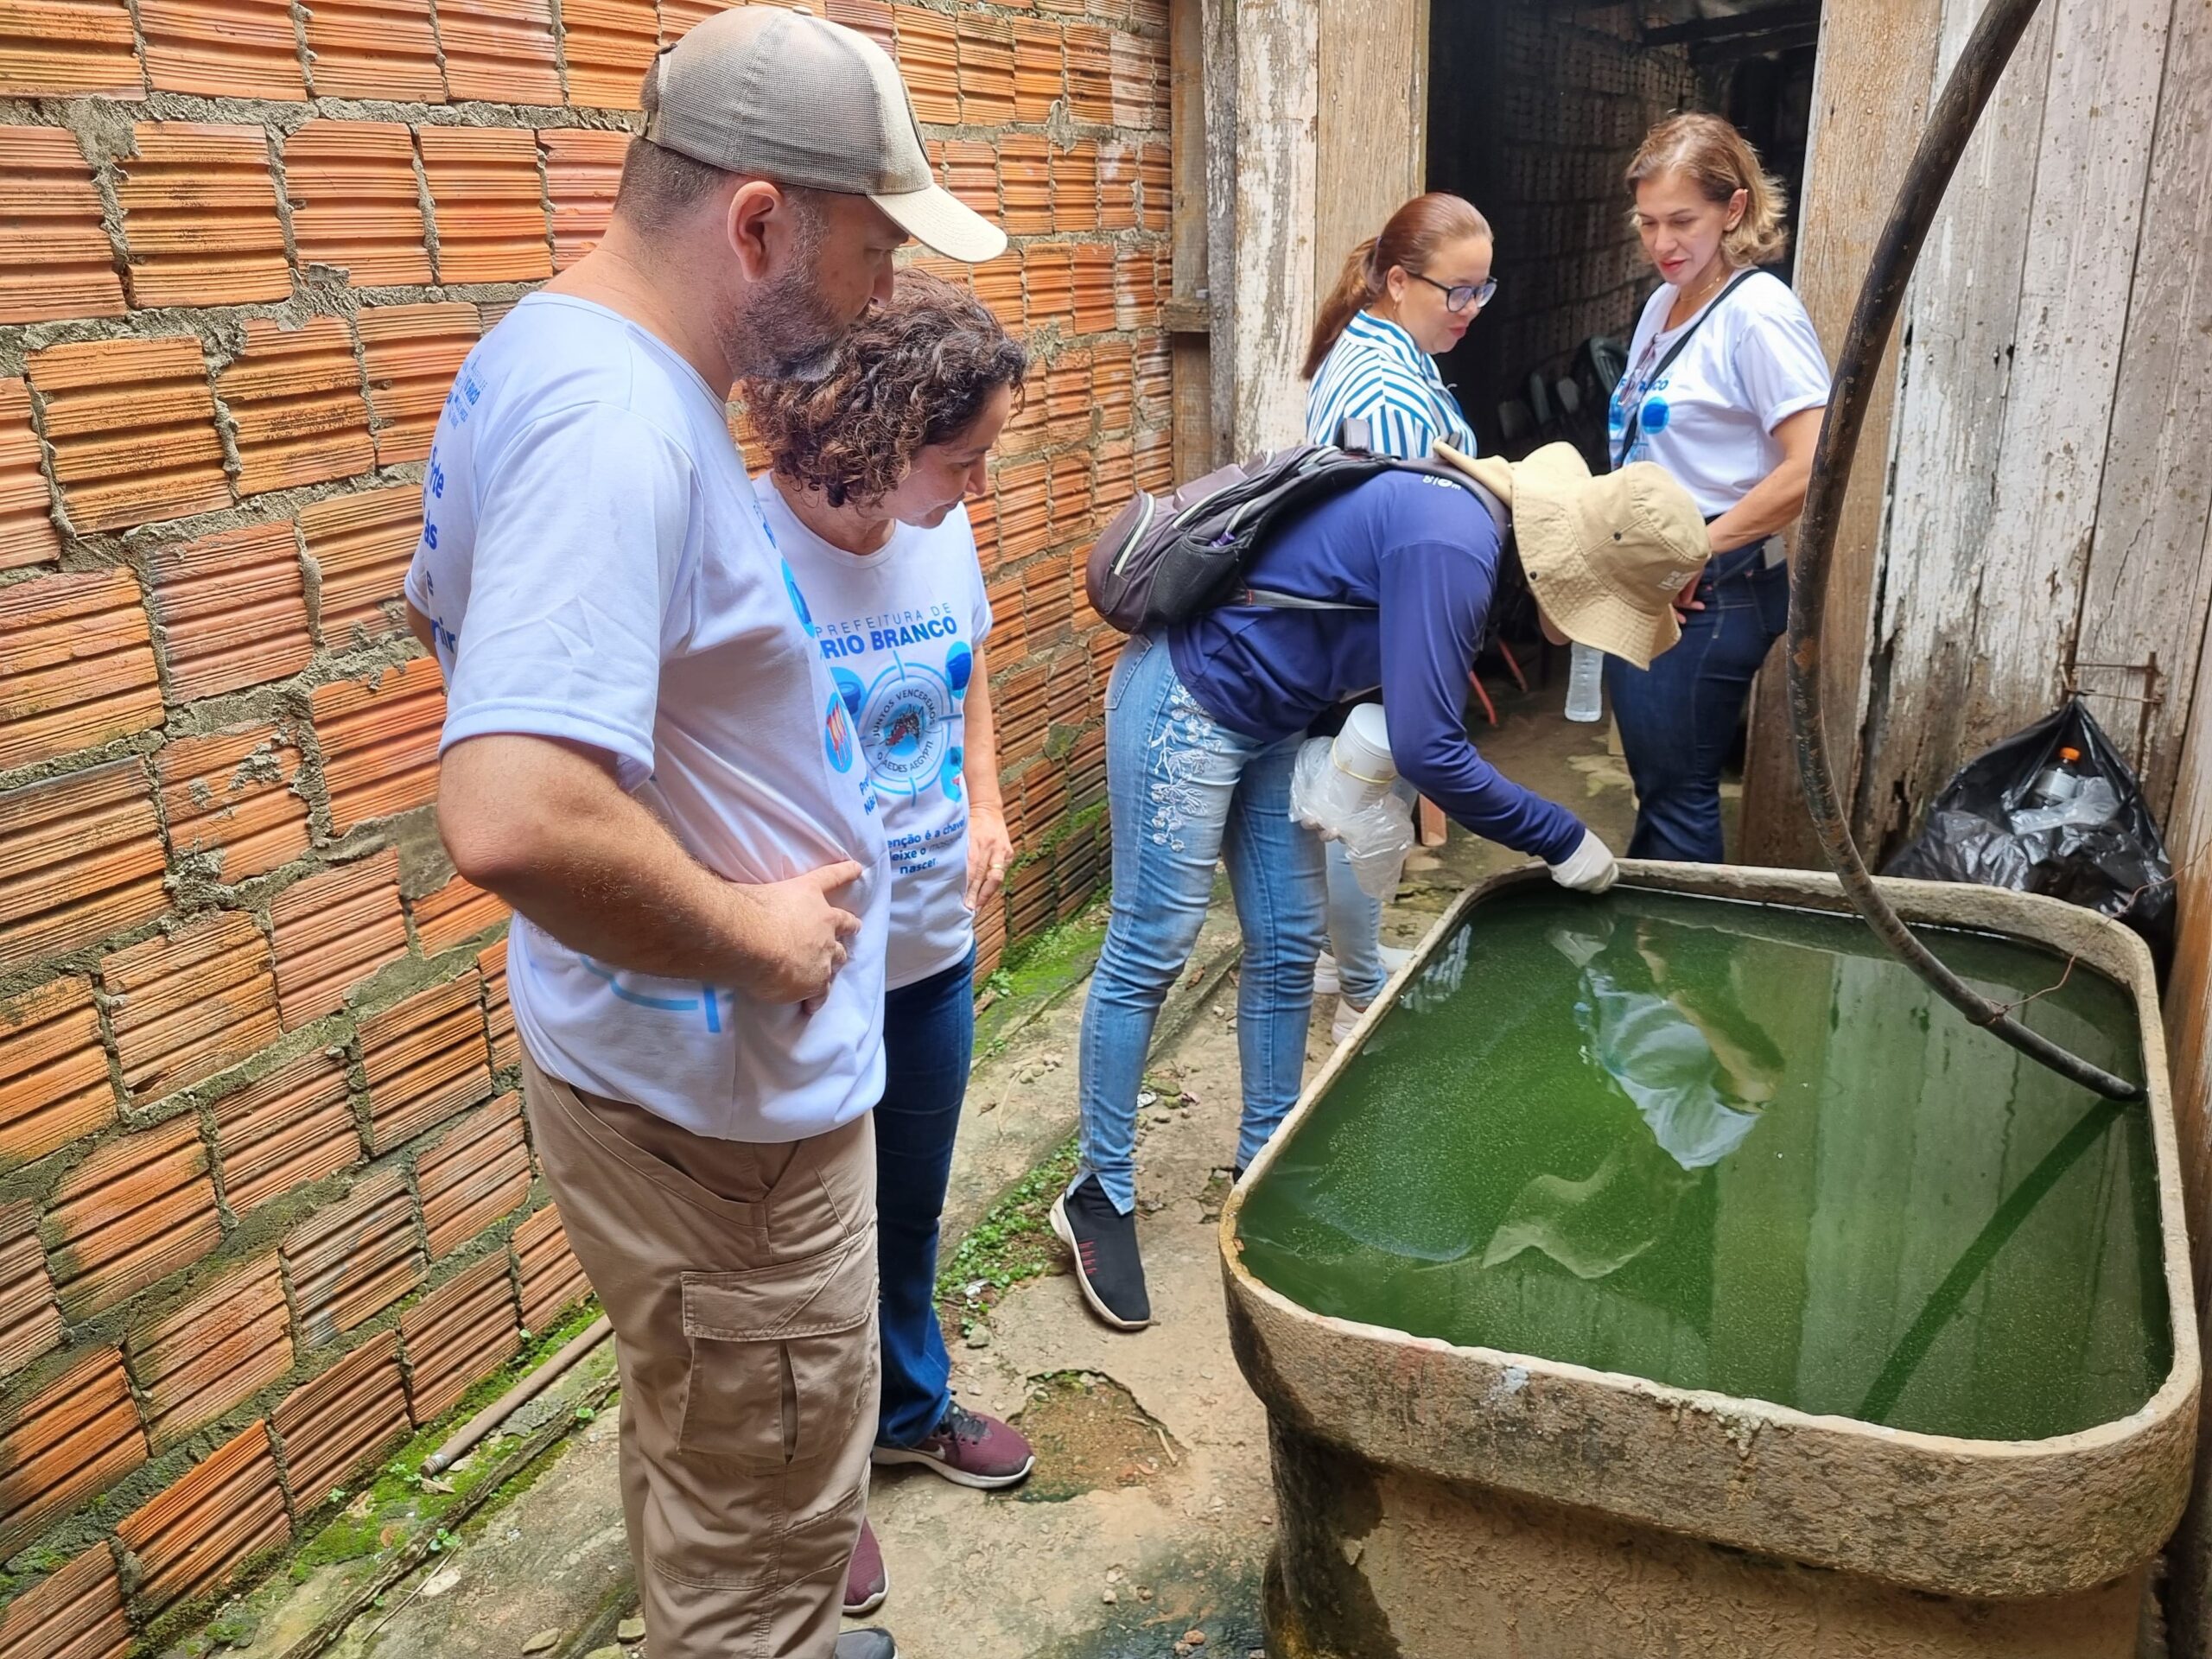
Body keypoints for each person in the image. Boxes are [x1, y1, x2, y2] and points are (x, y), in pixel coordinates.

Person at [404, 13, 1004, 1659]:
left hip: (657, 1079)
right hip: (722, 1113)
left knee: (716, 1441)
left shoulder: (542, 360)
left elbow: (475, 640)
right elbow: (511, 808)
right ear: (758, 224)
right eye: (872, 247)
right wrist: (759, 935)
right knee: (764, 1491)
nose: (884, 295)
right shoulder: (618, 425)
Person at [1053, 440, 1712, 1331]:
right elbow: (1427, 745)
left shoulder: (1467, 532)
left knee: (1288, 943)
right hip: (1189, 700)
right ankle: (1100, 1192)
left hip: (1273, 719)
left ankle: (1268, 1160)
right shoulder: (1453, 538)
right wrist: (1563, 838)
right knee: (1151, 944)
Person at [742, 270, 1036, 1622]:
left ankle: (908, 1413)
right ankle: (817, 1503)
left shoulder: (939, 535)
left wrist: (985, 802)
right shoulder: (741, 551)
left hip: (929, 950)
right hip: (805, 985)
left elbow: (970, 673)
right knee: (804, 1264)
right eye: (959, 458)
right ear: (867, 438)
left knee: (908, 1218)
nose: (975, 487)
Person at [1605, 111, 1834, 863]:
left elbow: (1813, 463)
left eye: (1682, 221)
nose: (1662, 244)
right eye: (1647, 223)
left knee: (1676, 801)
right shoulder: (1661, 306)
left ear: (1733, 210)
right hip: (1657, 578)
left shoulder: (1758, 314)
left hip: (1713, 586)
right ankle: (1651, 967)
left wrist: (1695, 551)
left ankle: (1678, 970)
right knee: (1662, 785)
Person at [1299, 193, 1498, 1043]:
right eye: (1456, 291)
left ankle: (1329, 961)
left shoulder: (1389, 354)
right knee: (1364, 822)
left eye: (1482, 291)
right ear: (1395, 280)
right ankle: (1355, 992)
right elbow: (1404, 547)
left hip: (1362, 632)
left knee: (1347, 810)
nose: (1470, 311)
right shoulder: (1385, 391)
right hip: (1378, 633)